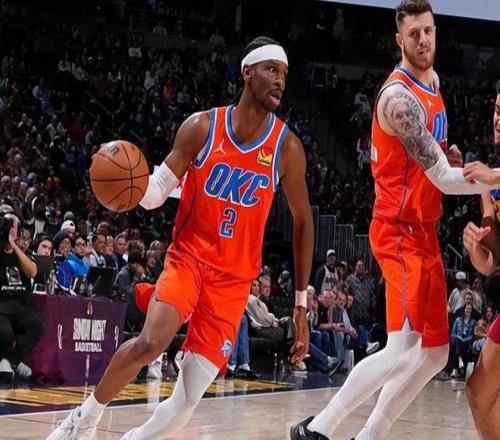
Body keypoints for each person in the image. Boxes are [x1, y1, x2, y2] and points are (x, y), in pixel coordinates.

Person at [48, 35, 313, 440]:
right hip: (189, 259)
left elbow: (303, 221)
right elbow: (157, 191)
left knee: (187, 400)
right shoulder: (202, 127)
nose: (280, 80)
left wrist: (300, 303)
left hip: (233, 282)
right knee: (151, 342)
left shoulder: (286, 148)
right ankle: (83, 421)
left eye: (285, 74)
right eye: (271, 70)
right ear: (247, 73)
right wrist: (128, 181)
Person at [291, 2, 496, 439]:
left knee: (436, 353)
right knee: (402, 348)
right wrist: (491, 178)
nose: (423, 40)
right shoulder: (397, 99)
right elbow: (441, 177)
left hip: (425, 230)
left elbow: (434, 160)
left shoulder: (434, 83)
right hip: (398, 230)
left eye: (428, 31)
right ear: (399, 40)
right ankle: (318, 430)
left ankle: (368, 436)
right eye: (414, 34)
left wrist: (449, 154)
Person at [460, 85, 500, 440]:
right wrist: (475, 249)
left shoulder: (492, 176)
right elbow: (492, 264)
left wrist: (494, 175)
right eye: (498, 110)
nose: (498, 119)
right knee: (478, 392)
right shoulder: (489, 184)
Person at [0, 205, 45, 379]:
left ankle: (12, 360)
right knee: (5, 333)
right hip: (2, 305)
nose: (11, 229)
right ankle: (5, 361)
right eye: (8, 225)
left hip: (19, 306)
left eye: (14, 226)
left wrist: (13, 244)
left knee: (39, 325)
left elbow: (32, 272)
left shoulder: (22, 254)